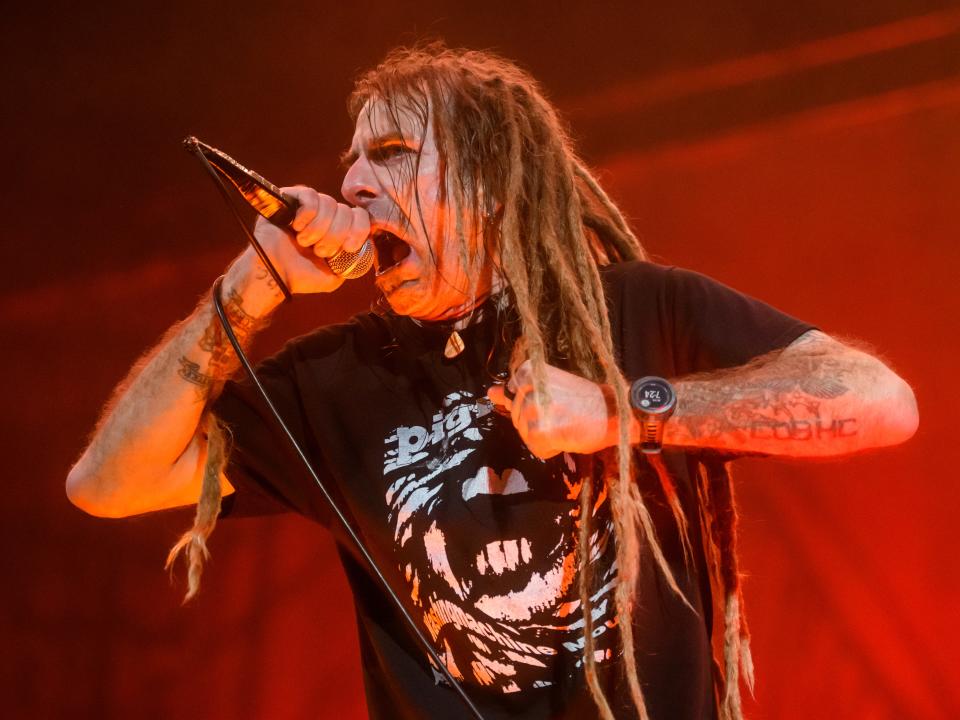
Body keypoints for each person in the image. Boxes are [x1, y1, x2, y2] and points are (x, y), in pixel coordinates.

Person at [66, 44, 918, 720]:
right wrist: (254, 285)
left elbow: (879, 401)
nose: (354, 183)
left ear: (490, 184)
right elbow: (107, 483)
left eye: (392, 155)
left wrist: (624, 410)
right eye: (351, 161)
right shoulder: (342, 377)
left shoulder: (635, 311)